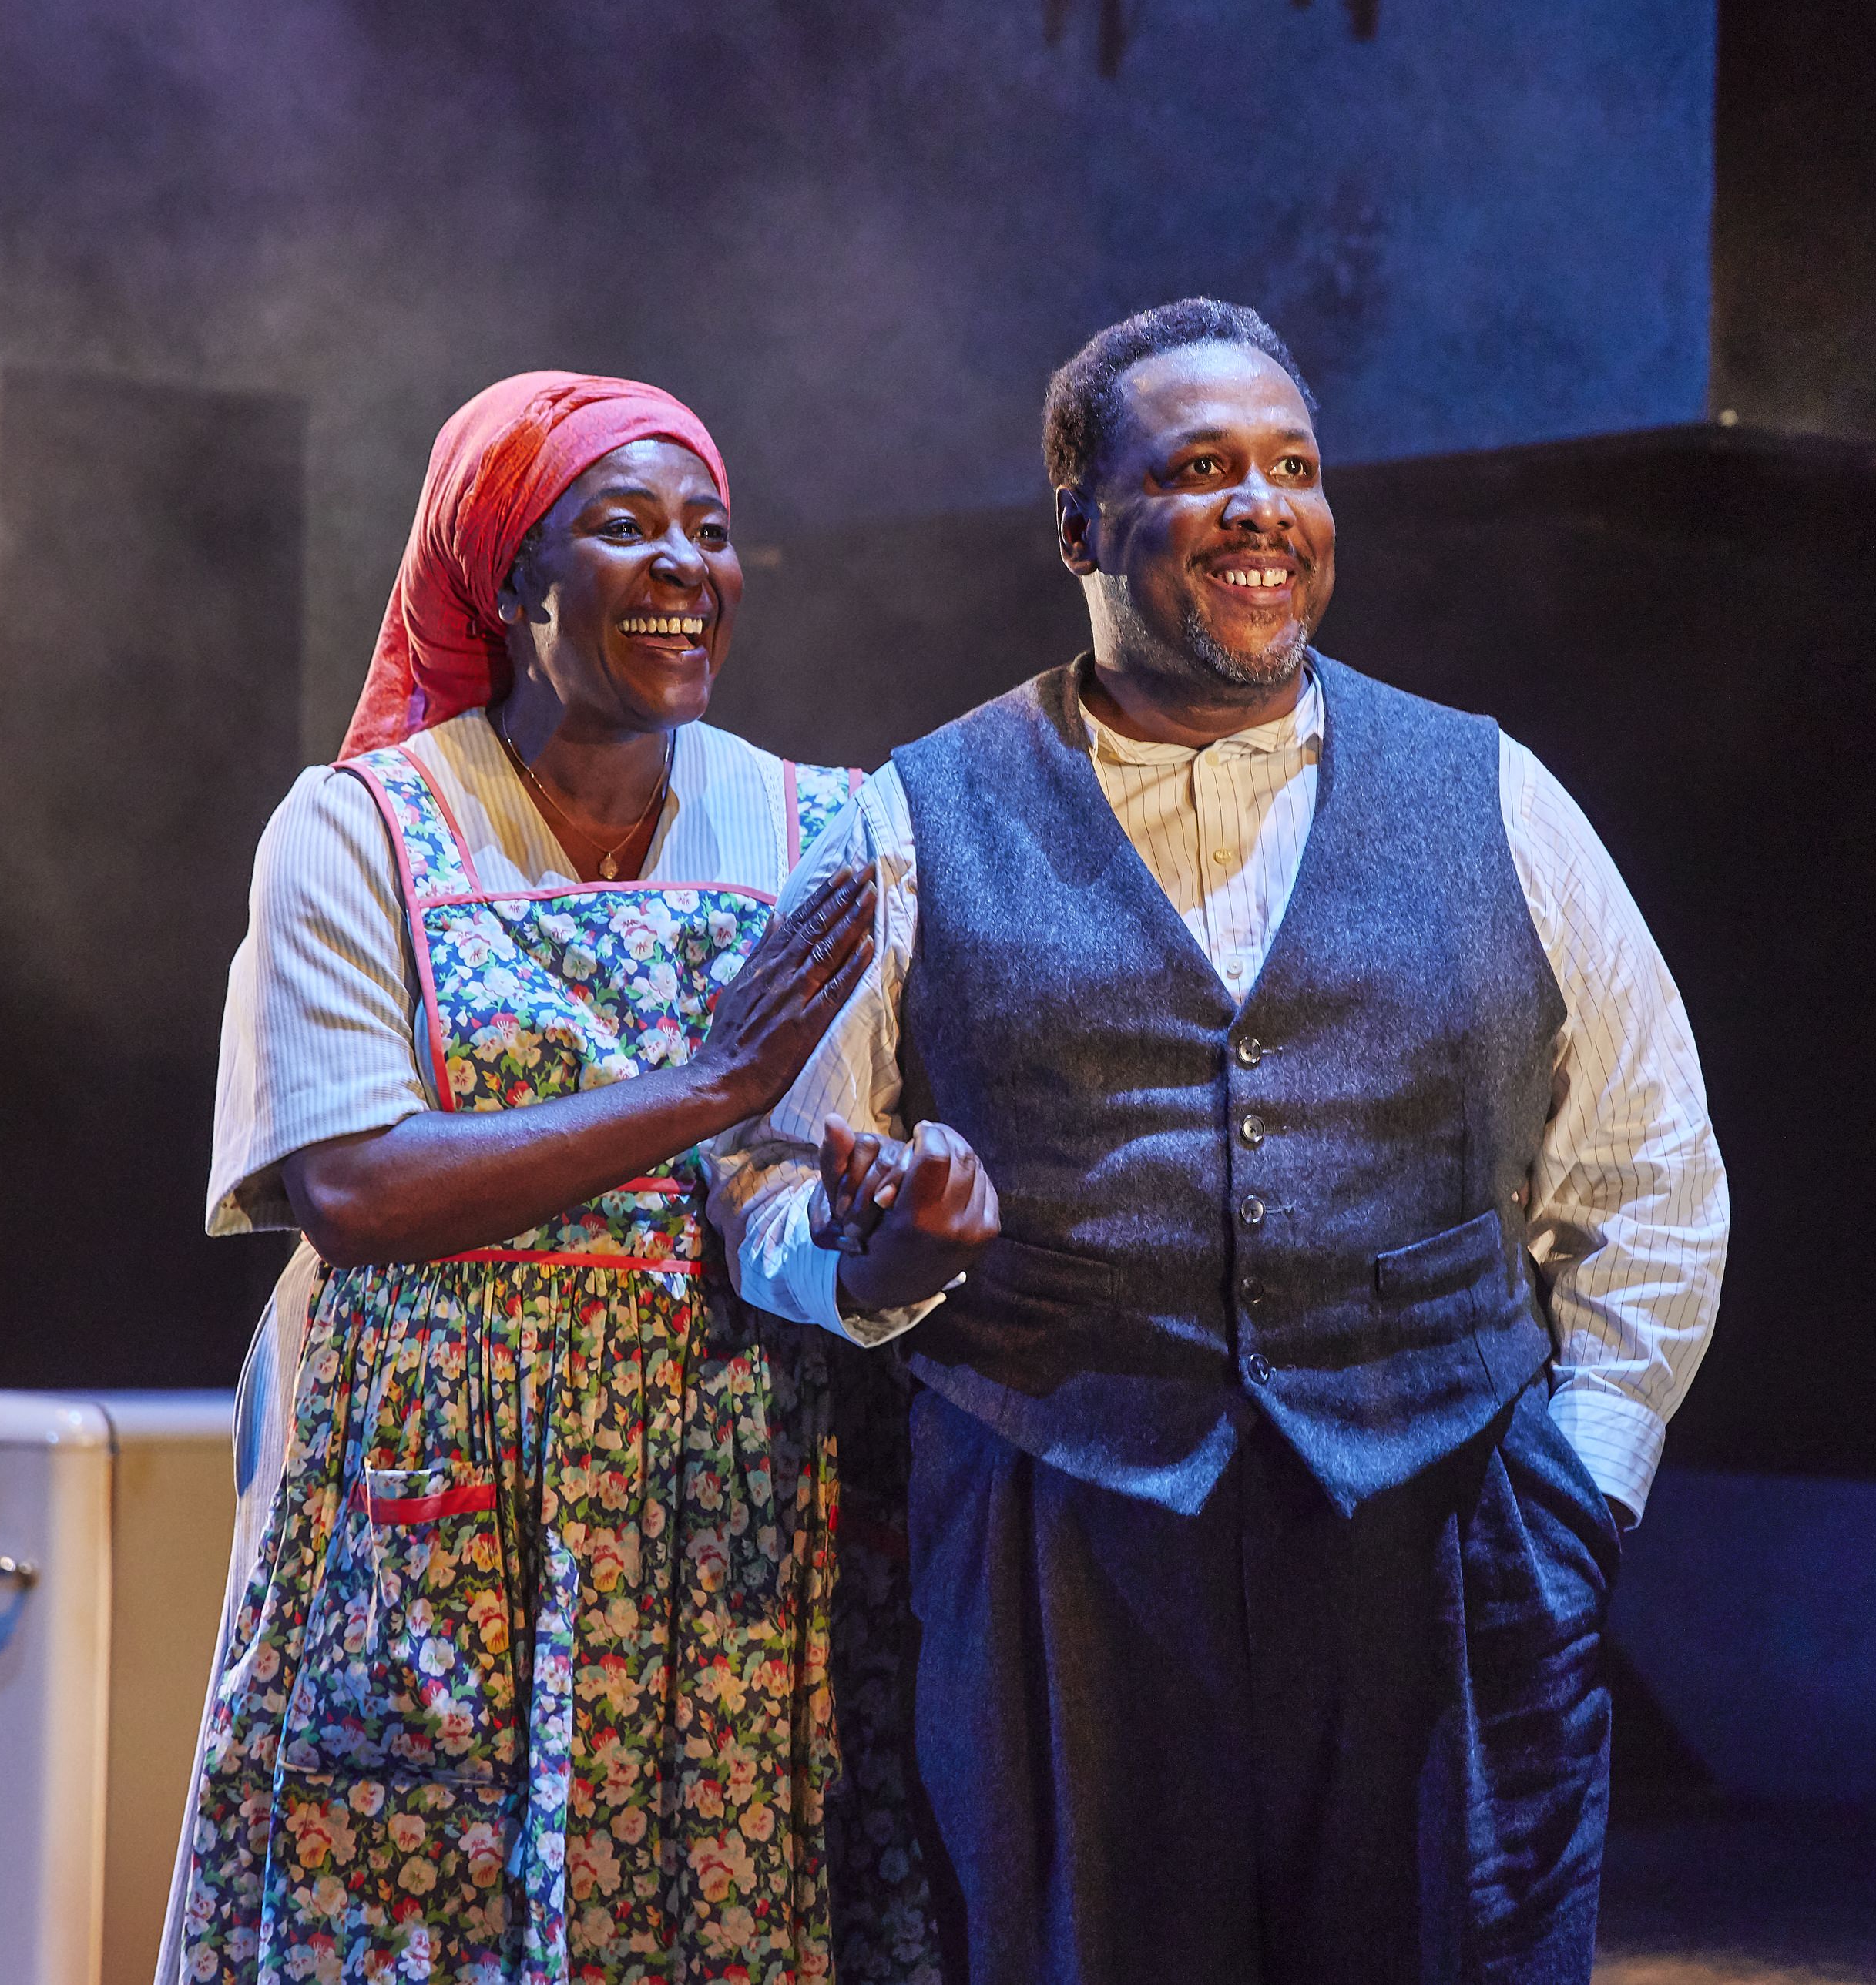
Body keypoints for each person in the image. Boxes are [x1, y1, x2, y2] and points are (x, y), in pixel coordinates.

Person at [713, 298, 1729, 1983]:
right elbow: (762, 1171)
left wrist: (1585, 1486)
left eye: (1295, 468)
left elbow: (1644, 1164)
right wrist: (877, 1255)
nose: (1263, 505)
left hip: (1436, 1526)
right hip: (1064, 1529)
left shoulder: (1494, 794)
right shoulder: (912, 816)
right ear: (1080, 529)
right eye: (1199, 469)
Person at [169, 372, 937, 1983]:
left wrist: (877, 1251)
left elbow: (780, 1194)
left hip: (722, 1490)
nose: (684, 564)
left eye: (712, 533)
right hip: (443, 1494)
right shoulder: (360, 829)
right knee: (408, 1894)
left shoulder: (821, 828)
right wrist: (704, 1084)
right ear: (511, 583)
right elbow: (360, 1191)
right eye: (624, 524)